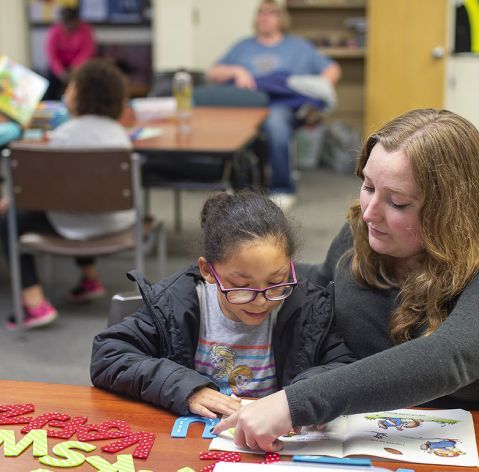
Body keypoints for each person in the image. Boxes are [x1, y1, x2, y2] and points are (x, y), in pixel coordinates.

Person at [215, 108, 479, 451]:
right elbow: (321, 300)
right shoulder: (364, 231)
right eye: (369, 186)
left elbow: (448, 357)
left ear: (452, 208)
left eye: (398, 202)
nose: (370, 213)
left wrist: (295, 404)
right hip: (379, 433)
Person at [90, 191, 355, 418]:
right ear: (207, 270)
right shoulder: (175, 304)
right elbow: (109, 355)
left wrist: (300, 399)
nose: (261, 300)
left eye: (276, 281)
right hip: (195, 441)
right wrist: (185, 388)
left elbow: (345, 368)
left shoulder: (306, 308)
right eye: (242, 287)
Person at [0, 58, 134, 329]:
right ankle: (89, 278)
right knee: (82, 199)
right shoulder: (120, 135)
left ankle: (34, 303)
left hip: (75, 223)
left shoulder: (63, 136)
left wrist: (9, 203)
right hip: (117, 220)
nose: (65, 93)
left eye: (70, 88)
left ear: (80, 95)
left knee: (10, 219)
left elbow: (40, 192)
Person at [207, 0, 341, 208]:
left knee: (276, 123)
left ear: (282, 18)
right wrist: (237, 71)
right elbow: (214, 73)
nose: (264, 16)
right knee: (233, 127)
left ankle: (282, 188)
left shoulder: (298, 46)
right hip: (249, 104)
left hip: (282, 105)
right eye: (261, 12)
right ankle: (238, 187)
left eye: (271, 12)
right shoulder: (243, 46)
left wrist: (315, 89)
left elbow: (332, 70)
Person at [45, 7, 96, 100]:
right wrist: (60, 72)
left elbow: (87, 52)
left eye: (72, 23)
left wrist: (74, 68)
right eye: (66, 23)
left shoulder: (86, 30)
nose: (69, 26)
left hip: (79, 66)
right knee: (50, 82)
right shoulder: (55, 31)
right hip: (59, 67)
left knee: (87, 78)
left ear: (77, 21)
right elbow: (52, 56)